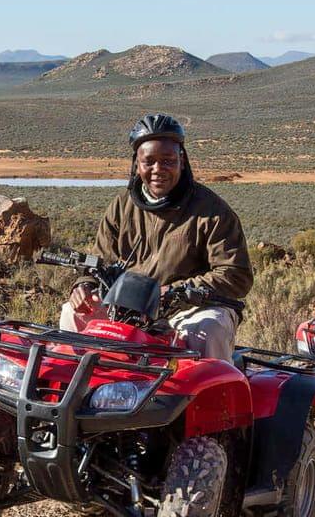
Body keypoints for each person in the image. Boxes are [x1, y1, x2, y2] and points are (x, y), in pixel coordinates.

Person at [59, 113, 253, 363]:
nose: (158, 170)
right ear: (136, 164)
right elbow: (98, 261)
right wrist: (83, 286)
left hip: (191, 308)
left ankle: (212, 398)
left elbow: (236, 275)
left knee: (207, 330)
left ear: (182, 161)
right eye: (148, 161)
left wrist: (179, 290)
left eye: (168, 161)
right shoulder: (121, 207)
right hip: (128, 306)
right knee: (72, 313)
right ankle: (79, 393)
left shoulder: (213, 212)